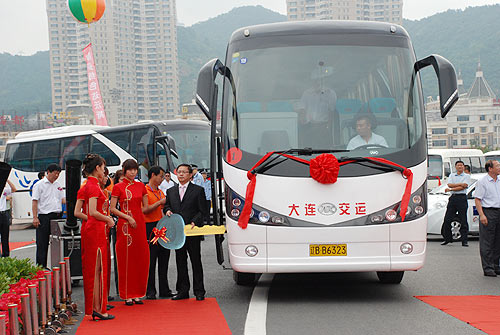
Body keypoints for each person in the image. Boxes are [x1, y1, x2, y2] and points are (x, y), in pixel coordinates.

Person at [76, 154, 115, 320]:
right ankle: (97, 308)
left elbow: (79, 212)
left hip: (94, 229)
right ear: (97, 168)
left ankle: (97, 306)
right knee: (97, 268)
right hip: (95, 231)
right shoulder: (93, 186)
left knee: (95, 268)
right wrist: (107, 219)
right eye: (103, 167)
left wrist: (99, 221)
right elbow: (92, 211)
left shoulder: (88, 186)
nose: (104, 170)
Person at [164, 164, 207, 301]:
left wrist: (195, 221)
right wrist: (167, 211)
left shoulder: (198, 190)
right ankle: (183, 290)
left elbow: (202, 210)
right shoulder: (171, 191)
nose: (181, 174)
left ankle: (199, 291)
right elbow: (167, 205)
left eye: (184, 172)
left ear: (190, 175)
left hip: (192, 231)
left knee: (196, 261)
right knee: (180, 261)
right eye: (179, 172)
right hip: (178, 232)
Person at [110, 159, 150, 305]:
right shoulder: (118, 187)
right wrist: (128, 217)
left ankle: (138, 293)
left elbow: (145, 207)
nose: (133, 172)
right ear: (124, 170)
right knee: (125, 259)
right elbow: (112, 209)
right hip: (125, 225)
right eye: (130, 169)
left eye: (135, 169)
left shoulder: (141, 186)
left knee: (140, 258)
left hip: (139, 224)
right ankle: (127, 294)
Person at [143, 166, 173, 300]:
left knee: (164, 257)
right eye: (160, 176)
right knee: (151, 259)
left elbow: (164, 207)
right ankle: (150, 290)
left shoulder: (160, 192)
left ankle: (164, 289)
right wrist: (159, 203)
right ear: (152, 175)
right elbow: (145, 210)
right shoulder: (145, 191)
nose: (162, 179)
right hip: (149, 227)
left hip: (161, 227)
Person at [32, 164, 65, 268]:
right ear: (48, 172)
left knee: (58, 242)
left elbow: (62, 199)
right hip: (44, 216)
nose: (56, 175)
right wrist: (35, 217)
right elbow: (35, 201)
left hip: (57, 215)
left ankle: (58, 265)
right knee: (42, 242)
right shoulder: (39, 185)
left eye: (58, 174)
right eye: (55, 173)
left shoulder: (57, 185)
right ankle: (41, 266)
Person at [298, 62, 337, 148]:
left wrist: (328, 128)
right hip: (309, 127)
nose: (318, 82)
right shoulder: (306, 93)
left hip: (323, 127)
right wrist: (303, 123)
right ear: (313, 81)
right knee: (309, 149)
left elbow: (331, 112)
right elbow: (302, 109)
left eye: (321, 80)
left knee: (325, 149)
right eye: (316, 80)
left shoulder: (331, 93)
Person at [474, 160, 500, 277]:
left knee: (497, 241)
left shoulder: (499, 180)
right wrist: (482, 215)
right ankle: (488, 267)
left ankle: (496, 266)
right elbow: (478, 199)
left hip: (499, 211)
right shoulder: (483, 182)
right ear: (490, 168)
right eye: (497, 166)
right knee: (487, 241)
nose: (499, 168)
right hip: (488, 212)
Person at [440, 160, 471, 246]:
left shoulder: (467, 176)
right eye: (458, 165)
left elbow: (464, 186)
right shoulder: (452, 175)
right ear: (455, 167)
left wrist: (452, 189)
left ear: (463, 167)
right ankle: (447, 239)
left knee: (463, 219)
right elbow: (449, 184)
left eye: (461, 165)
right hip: (453, 199)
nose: (460, 167)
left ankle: (464, 240)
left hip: (462, 198)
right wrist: (458, 185)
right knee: (447, 219)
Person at [0, 180, 16, 257]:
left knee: (5, 236)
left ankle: (6, 255)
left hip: (3, 214)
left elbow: (14, 189)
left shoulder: (3, 190)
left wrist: (7, 179)